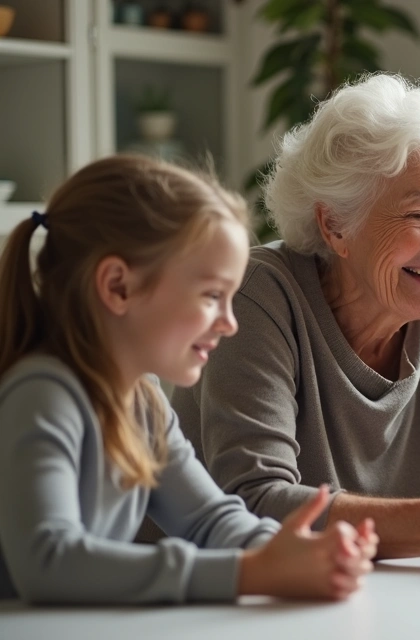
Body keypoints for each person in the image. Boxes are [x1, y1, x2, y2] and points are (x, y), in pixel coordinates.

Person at [172, 74, 420, 571]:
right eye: (419, 215)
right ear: (336, 225)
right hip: (208, 601)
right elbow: (257, 505)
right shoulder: (259, 294)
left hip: (364, 593)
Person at [0, 155, 376, 604]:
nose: (229, 323)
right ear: (119, 287)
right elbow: (48, 562)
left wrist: (292, 551)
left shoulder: (143, 404)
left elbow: (209, 519)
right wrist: (249, 574)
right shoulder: (42, 396)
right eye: (212, 296)